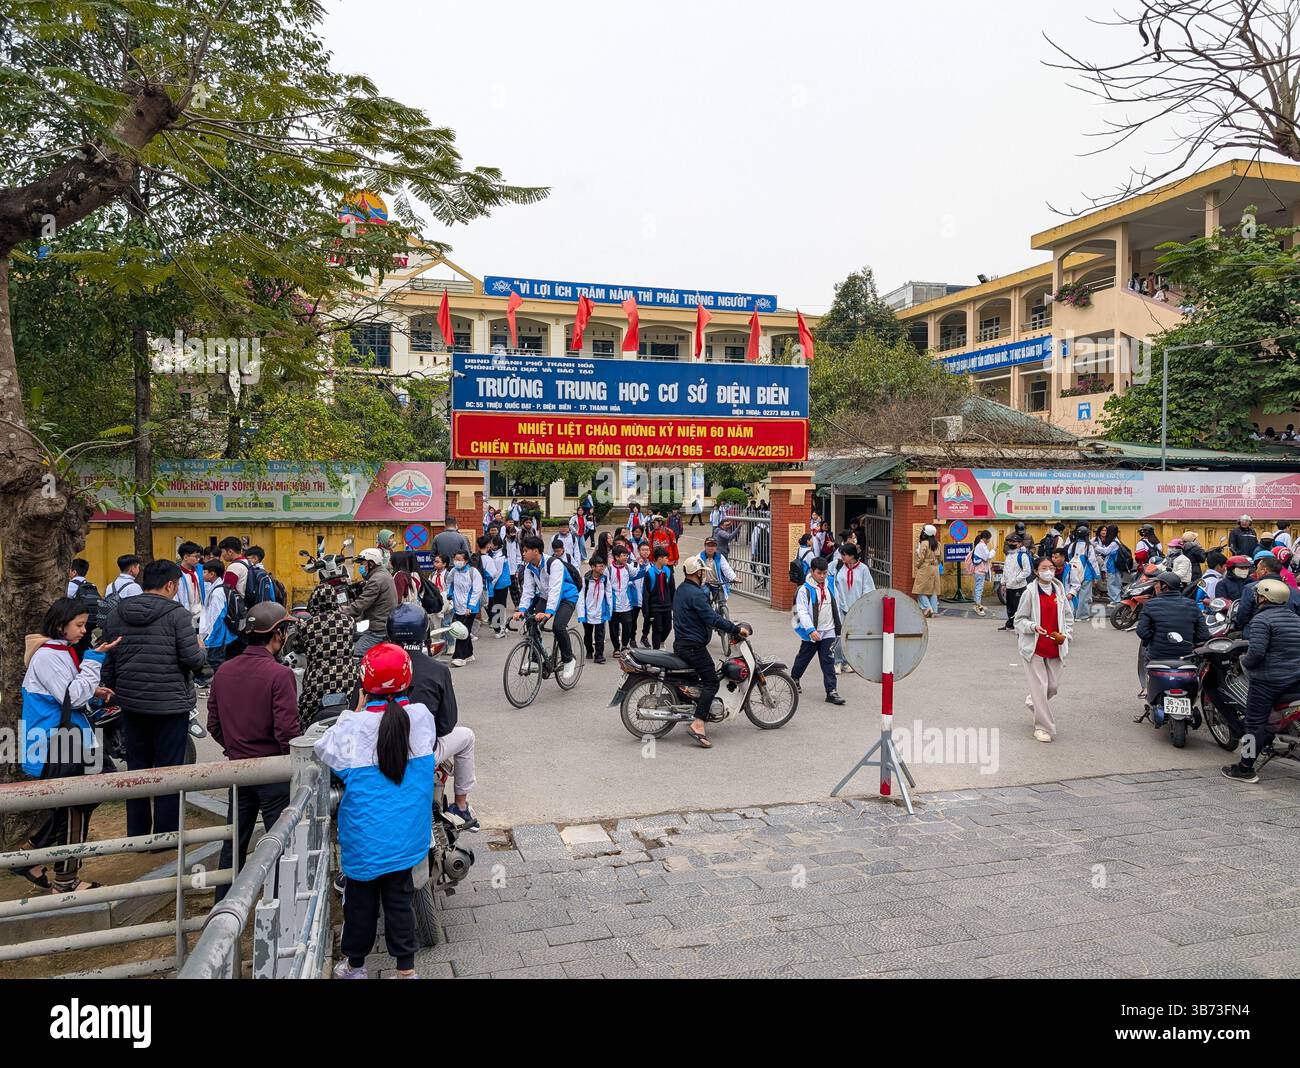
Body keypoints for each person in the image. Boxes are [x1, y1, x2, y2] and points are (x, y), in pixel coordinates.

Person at [316, 644, 437, 979]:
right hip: (406, 839)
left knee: (360, 905)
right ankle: (406, 971)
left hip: (365, 841)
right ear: (407, 682)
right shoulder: (421, 718)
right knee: (400, 901)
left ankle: (355, 967)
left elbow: (323, 750)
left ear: (363, 684)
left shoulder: (352, 727)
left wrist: (352, 711)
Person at [18, 598, 120, 894]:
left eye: (85, 624)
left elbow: (65, 693)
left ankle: (30, 856)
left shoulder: (57, 651)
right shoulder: (50, 655)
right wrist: (93, 661)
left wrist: (92, 689)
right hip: (59, 744)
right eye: (79, 625)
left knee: (79, 804)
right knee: (76, 807)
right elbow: (71, 697)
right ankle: (65, 881)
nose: (83, 630)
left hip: (66, 740)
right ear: (60, 624)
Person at [101, 559, 207, 836]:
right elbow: (192, 659)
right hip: (170, 705)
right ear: (170, 584)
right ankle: (165, 835)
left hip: (131, 704)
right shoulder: (178, 615)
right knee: (170, 771)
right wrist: (202, 648)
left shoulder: (116, 613)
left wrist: (115, 692)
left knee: (137, 769)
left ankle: (137, 833)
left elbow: (109, 662)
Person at [207, 602, 300, 901]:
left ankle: (222, 903)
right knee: (278, 842)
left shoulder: (223, 671)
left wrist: (236, 748)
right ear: (278, 634)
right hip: (272, 771)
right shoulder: (279, 675)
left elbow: (214, 724)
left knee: (233, 841)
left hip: (238, 769)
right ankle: (277, 906)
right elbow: (287, 732)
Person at [387, 605, 478, 828]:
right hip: (423, 752)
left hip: (380, 750)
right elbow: (447, 725)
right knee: (467, 737)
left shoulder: (374, 667)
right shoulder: (437, 670)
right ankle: (461, 806)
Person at [1222, 578, 1300, 784]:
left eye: (1258, 595)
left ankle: (1245, 768)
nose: (1255, 597)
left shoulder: (1261, 620)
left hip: (1267, 682)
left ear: (1264, 597)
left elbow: (1256, 653)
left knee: (1253, 723)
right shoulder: (1295, 618)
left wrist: (1243, 661)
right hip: (1294, 679)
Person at [672, 555, 749, 748]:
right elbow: (712, 617)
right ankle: (698, 724)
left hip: (682, 642)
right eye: (702, 572)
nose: (703, 575)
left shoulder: (682, 589)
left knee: (698, 678)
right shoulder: (696, 594)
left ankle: (692, 708)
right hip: (693, 646)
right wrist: (734, 628)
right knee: (711, 681)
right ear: (696, 573)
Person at [1013, 556, 1075, 743]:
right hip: (1035, 648)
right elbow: (1019, 620)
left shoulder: (1059, 591)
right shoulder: (1030, 593)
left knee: (1052, 687)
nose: (1049, 571)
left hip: (1056, 645)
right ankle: (1043, 727)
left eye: (1051, 567)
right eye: (1044, 568)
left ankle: (1034, 702)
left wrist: (1067, 634)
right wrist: (1032, 626)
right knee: (1040, 688)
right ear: (1036, 571)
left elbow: (1068, 616)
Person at [515, 534, 580, 682]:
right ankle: (535, 659)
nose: (523, 554)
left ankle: (568, 659)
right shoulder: (529, 567)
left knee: (558, 626)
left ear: (536, 551)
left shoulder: (554, 564)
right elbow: (528, 590)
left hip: (567, 597)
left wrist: (548, 613)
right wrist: (522, 609)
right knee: (531, 622)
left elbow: (555, 590)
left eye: (525, 551)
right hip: (546, 596)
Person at [296, 581, 359, 731]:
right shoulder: (349, 621)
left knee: (305, 717)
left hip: (318, 681)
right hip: (348, 678)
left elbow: (297, 646)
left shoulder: (307, 625)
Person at [1134, 572, 1209, 689]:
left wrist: (1153, 639)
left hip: (1157, 655)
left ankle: (1146, 688)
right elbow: (1203, 635)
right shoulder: (1192, 605)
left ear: (1164, 586)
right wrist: (1188, 640)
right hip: (1186, 655)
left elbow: (1142, 632)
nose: (1155, 587)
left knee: (1145, 657)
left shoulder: (1150, 604)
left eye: (1157, 584)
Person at [792, 557, 846, 705]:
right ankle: (794, 678)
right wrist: (810, 630)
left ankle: (831, 691)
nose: (822, 576)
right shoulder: (804, 590)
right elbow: (802, 611)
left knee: (828, 661)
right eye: (819, 573)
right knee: (803, 658)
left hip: (828, 630)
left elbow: (837, 602)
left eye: (824, 573)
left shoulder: (830, 584)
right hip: (812, 632)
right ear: (812, 571)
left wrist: (838, 625)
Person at [346, 547, 398, 658]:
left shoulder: (376, 580)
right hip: (383, 624)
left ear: (371, 563)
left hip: (378, 630)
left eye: (362, 563)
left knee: (355, 654)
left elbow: (361, 604)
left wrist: (340, 613)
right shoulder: (383, 574)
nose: (360, 567)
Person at [832, 543, 875, 672]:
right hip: (840, 606)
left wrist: (862, 604)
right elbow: (826, 577)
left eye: (845, 554)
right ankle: (837, 661)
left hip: (856, 607)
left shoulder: (863, 569)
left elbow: (868, 588)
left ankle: (847, 661)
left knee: (851, 635)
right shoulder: (837, 565)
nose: (842, 557)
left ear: (852, 555)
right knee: (839, 634)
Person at [197, 559, 233, 687]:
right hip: (217, 633)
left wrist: (207, 636)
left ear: (212, 574)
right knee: (216, 660)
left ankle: (220, 685)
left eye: (205, 572)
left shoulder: (217, 592)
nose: (203, 575)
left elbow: (216, 616)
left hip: (217, 634)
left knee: (216, 661)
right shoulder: (216, 588)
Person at [447, 548, 483, 667]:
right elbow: (449, 582)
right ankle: (469, 653)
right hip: (458, 606)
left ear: (466, 560)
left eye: (459, 559)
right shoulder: (453, 571)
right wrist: (450, 594)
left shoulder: (473, 572)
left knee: (462, 631)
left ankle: (459, 657)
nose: (456, 562)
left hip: (469, 608)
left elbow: (477, 590)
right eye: (455, 559)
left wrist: (471, 606)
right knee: (464, 630)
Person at [577, 554, 613, 664]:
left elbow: (609, 594)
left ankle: (599, 655)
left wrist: (609, 610)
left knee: (600, 634)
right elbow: (581, 597)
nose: (602, 568)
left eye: (603, 566)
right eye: (599, 566)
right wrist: (581, 613)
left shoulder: (605, 580)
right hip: (588, 611)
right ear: (592, 567)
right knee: (588, 634)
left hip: (600, 612)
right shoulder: (585, 580)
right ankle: (589, 649)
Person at [608, 543, 641, 653]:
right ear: (616, 557)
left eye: (627, 555)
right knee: (613, 627)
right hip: (613, 604)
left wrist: (637, 563)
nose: (626, 557)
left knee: (627, 624)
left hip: (626, 602)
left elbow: (636, 573)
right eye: (623, 555)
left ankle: (625, 645)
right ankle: (616, 648)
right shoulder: (609, 569)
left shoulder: (627, 567)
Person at [641, 544, 676, 649]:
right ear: (659, 559)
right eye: (665, 558)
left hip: (667, 606)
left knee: (668, 628)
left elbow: (672, 590)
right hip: (655, 607)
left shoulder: (668, 571)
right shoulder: (650, 573)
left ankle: (661, 641)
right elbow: (646, 594)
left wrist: (674, 605)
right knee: (657, 629)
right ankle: (656, 651)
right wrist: (646, 611)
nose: (667, 560)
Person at [66, 558, 102, 656]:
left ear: (74, 572)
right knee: (85, 643)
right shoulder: (91, 586)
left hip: (76, 622)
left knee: (76, 647)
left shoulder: (70, 586)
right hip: (91, 621)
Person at [1065, 524, 1100, 619]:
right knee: (1084, 595)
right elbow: (1092, 562)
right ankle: (1082, 615)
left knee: (1074, 593)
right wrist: (1096, 576)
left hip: (1073, 572)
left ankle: (1073, 613)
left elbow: (1069, 558)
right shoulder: (1088, 546)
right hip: (1086, 574)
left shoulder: (1071, 545)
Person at [1001, 534, 1033, 632]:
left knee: (1019, 607)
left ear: (1019, 544)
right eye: (1009, 541)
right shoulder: (1009, 555)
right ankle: (1010, 624)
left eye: (1013, 542)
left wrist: (1016, 580)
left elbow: (1027, 571)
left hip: (1019, 586)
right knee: (1010, 607)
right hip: (1009, 586)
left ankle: (1019, 625)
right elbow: (1005, 570)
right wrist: (1003, 583)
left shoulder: (1022, 556)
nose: (1011, 543)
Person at [174, 541, 206, 632]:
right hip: (185, 615)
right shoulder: (176, 574)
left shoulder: (200, 570)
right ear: (185, 557)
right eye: (196, 556)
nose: (198, 559)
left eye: (199, 556)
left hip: (201, 613)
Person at [699, 535, 737, 605]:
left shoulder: (719, 557)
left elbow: (727, 569)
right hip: (704, 583)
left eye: (713, 546)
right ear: (705, 546)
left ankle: (722, 612)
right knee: (705, 594)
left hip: (717, 583)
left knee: (722, 601)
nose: (710, 548)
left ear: (716, 547)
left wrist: (734, 577)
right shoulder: (699, 557)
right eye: (708, 545)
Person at [912, 528, 941, 618]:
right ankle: (934, 611)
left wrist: (918, 565)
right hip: (935, 568)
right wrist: (936, 564)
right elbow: (940, 558)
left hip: (925, 567)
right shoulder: (938, 543)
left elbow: (921, 558)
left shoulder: (924, 543)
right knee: (933, 590)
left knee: (919, 590)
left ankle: (928, 608)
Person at [967, 530, 994, 616]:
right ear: (986, 538)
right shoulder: (982, 546)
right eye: (989, 538)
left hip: (978, 570)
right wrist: (994, 550)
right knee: (979, 588)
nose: (989, 540)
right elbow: (987, 557)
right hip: (980, 570)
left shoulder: (979, 545)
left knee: (977, 587)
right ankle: (978, 606)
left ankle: (976, 604)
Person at [1096, 524, 1124, 606]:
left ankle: (1115, 601)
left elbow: (1105, 551)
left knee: (1112, 583)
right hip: (1115, 566)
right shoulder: (1116, 541)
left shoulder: (1114, 543)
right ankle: (1117, 599)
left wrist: (1096, 546)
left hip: (1112, 566)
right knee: (1116, 583)